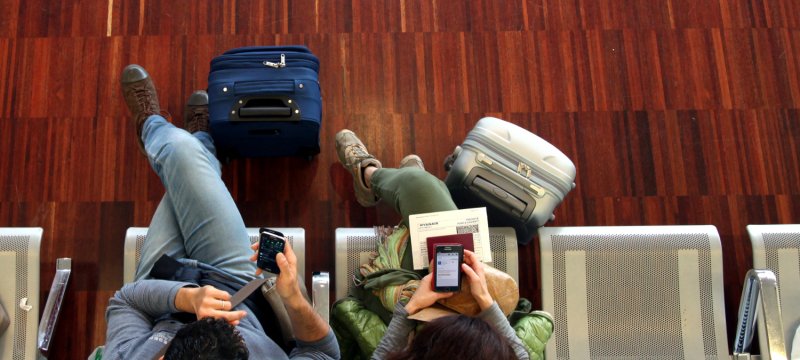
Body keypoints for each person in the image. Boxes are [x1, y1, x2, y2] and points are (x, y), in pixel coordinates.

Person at [103, 64, 339, 360]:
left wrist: (187, 297)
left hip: (162, 286)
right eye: (234, 331)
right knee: (184, 160)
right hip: (239, 286)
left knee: (181, 155)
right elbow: (322, 353)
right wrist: (294, 299)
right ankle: (195, 142)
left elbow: (126, 301)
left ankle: (157, 128)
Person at [334, 130, 529, 359]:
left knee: (419, 187)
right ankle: (403, 188)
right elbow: (520, 356)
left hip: (412, 316)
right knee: (426, 202)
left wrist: (410, 308)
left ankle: (368, 174)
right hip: (471, 317)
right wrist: (485, 300)